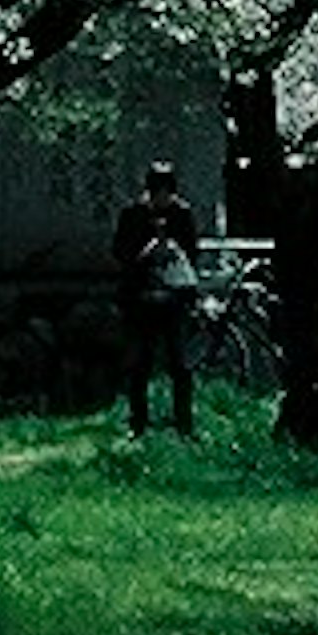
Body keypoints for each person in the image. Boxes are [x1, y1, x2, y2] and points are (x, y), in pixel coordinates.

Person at [110, 161, 207, 442]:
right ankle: (138, 423)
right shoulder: (133, 215)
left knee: (180, 364)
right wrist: (146, 252)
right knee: (140, 363)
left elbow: (192, 251)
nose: (161, 198)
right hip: (141, 298)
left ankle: (184, 424)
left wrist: (172, 250)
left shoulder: (181, 214)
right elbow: (120, 251)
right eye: (157, 192)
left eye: (166, 192)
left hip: (174, 299)